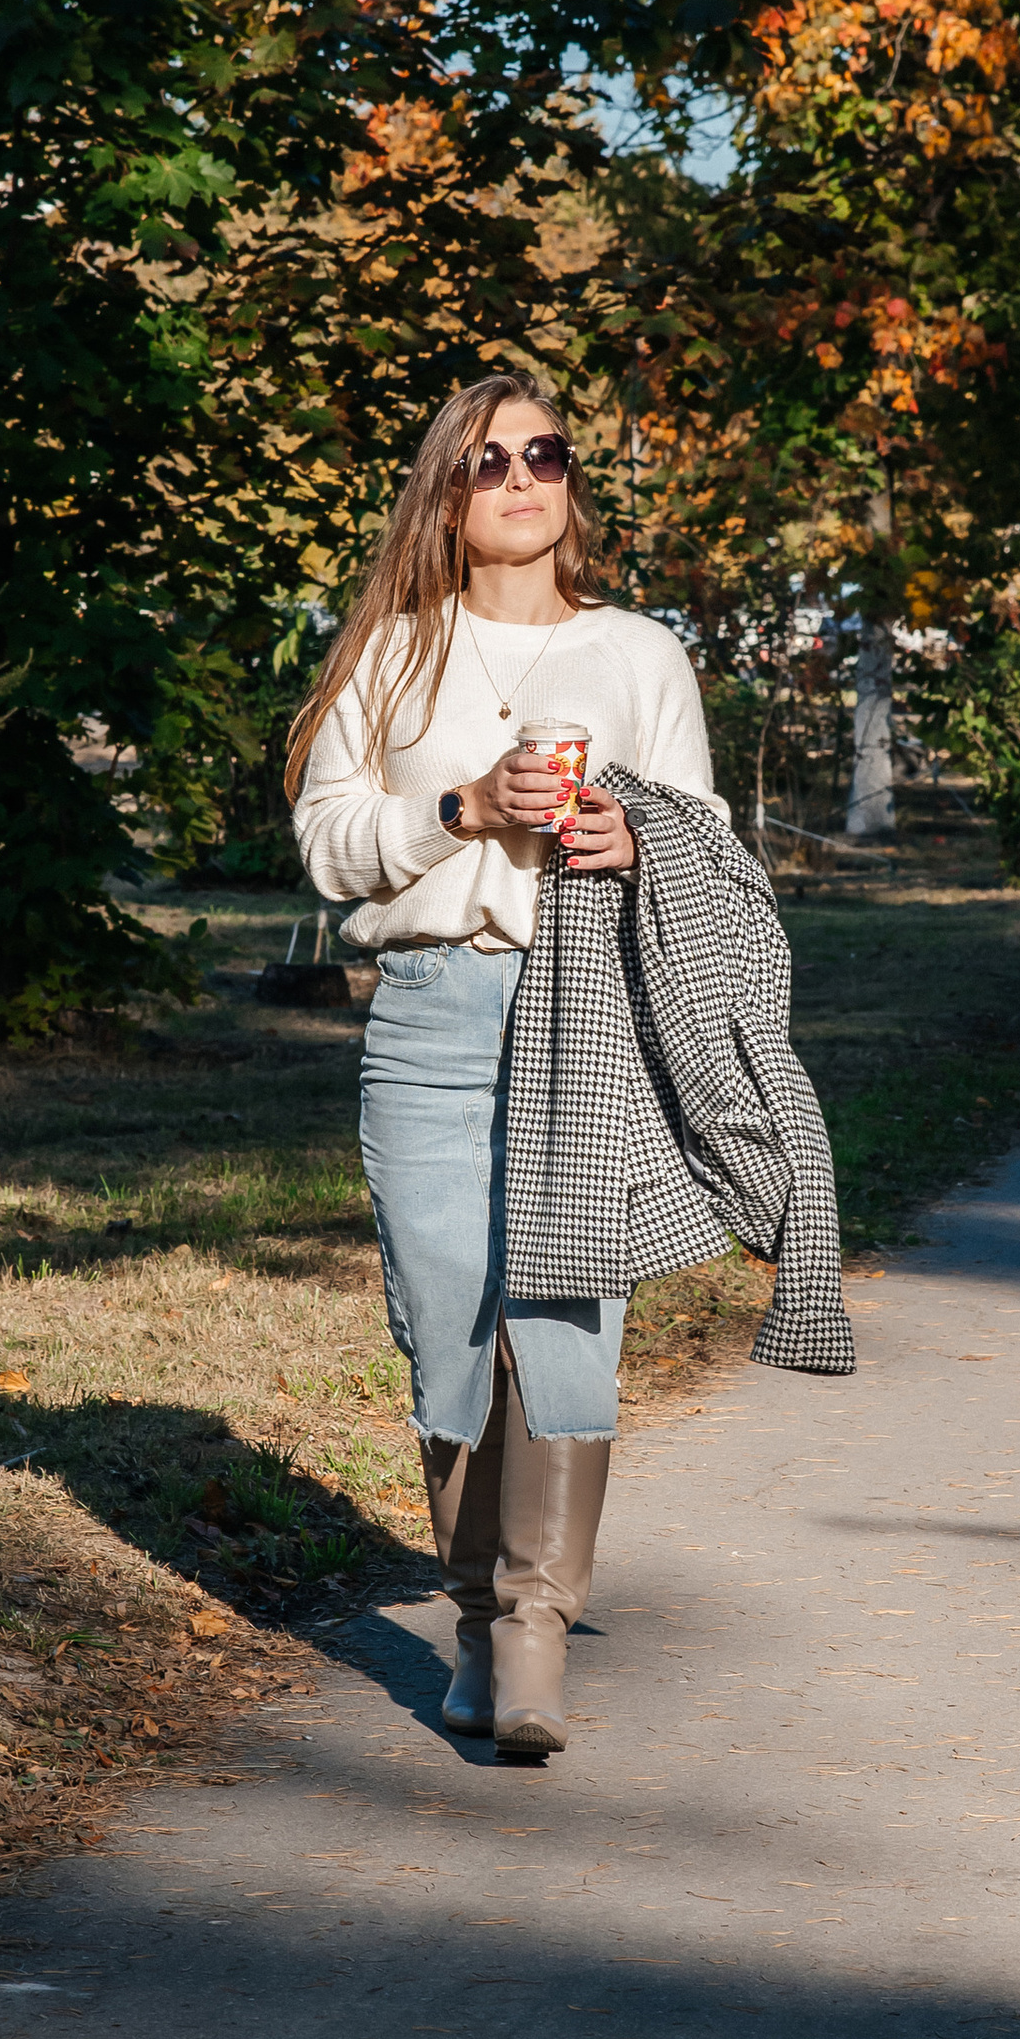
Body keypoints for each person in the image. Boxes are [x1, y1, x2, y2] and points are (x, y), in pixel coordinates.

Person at [286, 377, 722, 1760]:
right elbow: (329, 846)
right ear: (446, 492)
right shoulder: (392, 654)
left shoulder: (641, 653)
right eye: (491, 460)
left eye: (547, 452)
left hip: (583, 1008)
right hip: (428, 1011)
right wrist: (463, 805)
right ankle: (472, 1617)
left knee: (567, 1315)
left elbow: (704, 843)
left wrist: (635, 841)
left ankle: (537, 1632)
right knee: (449, 1316)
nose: (524, 476)